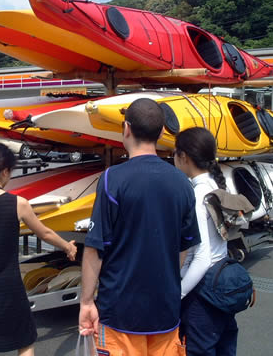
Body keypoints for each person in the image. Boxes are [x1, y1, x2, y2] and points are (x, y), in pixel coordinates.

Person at [79, 98, 201, 356]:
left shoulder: (113, 178)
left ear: (126, 129)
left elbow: (95, 248)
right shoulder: (183, 183)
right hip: (165, 310)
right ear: (160, 133)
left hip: (120, 311)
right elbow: (184, 248)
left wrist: (87, 301)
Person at [0, 142, 77, 356]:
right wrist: (67, 246)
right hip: (8, 287)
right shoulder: (18, 203)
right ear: (5, 171)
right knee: (25, 342)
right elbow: (45, 233)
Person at [174, 127, 237, 355]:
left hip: (203, 293)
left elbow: (201, 257)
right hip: (221, 284)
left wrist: (177, 294)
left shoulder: (197, 196)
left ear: (184, 157)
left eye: (175, 152)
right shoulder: (216, 186)